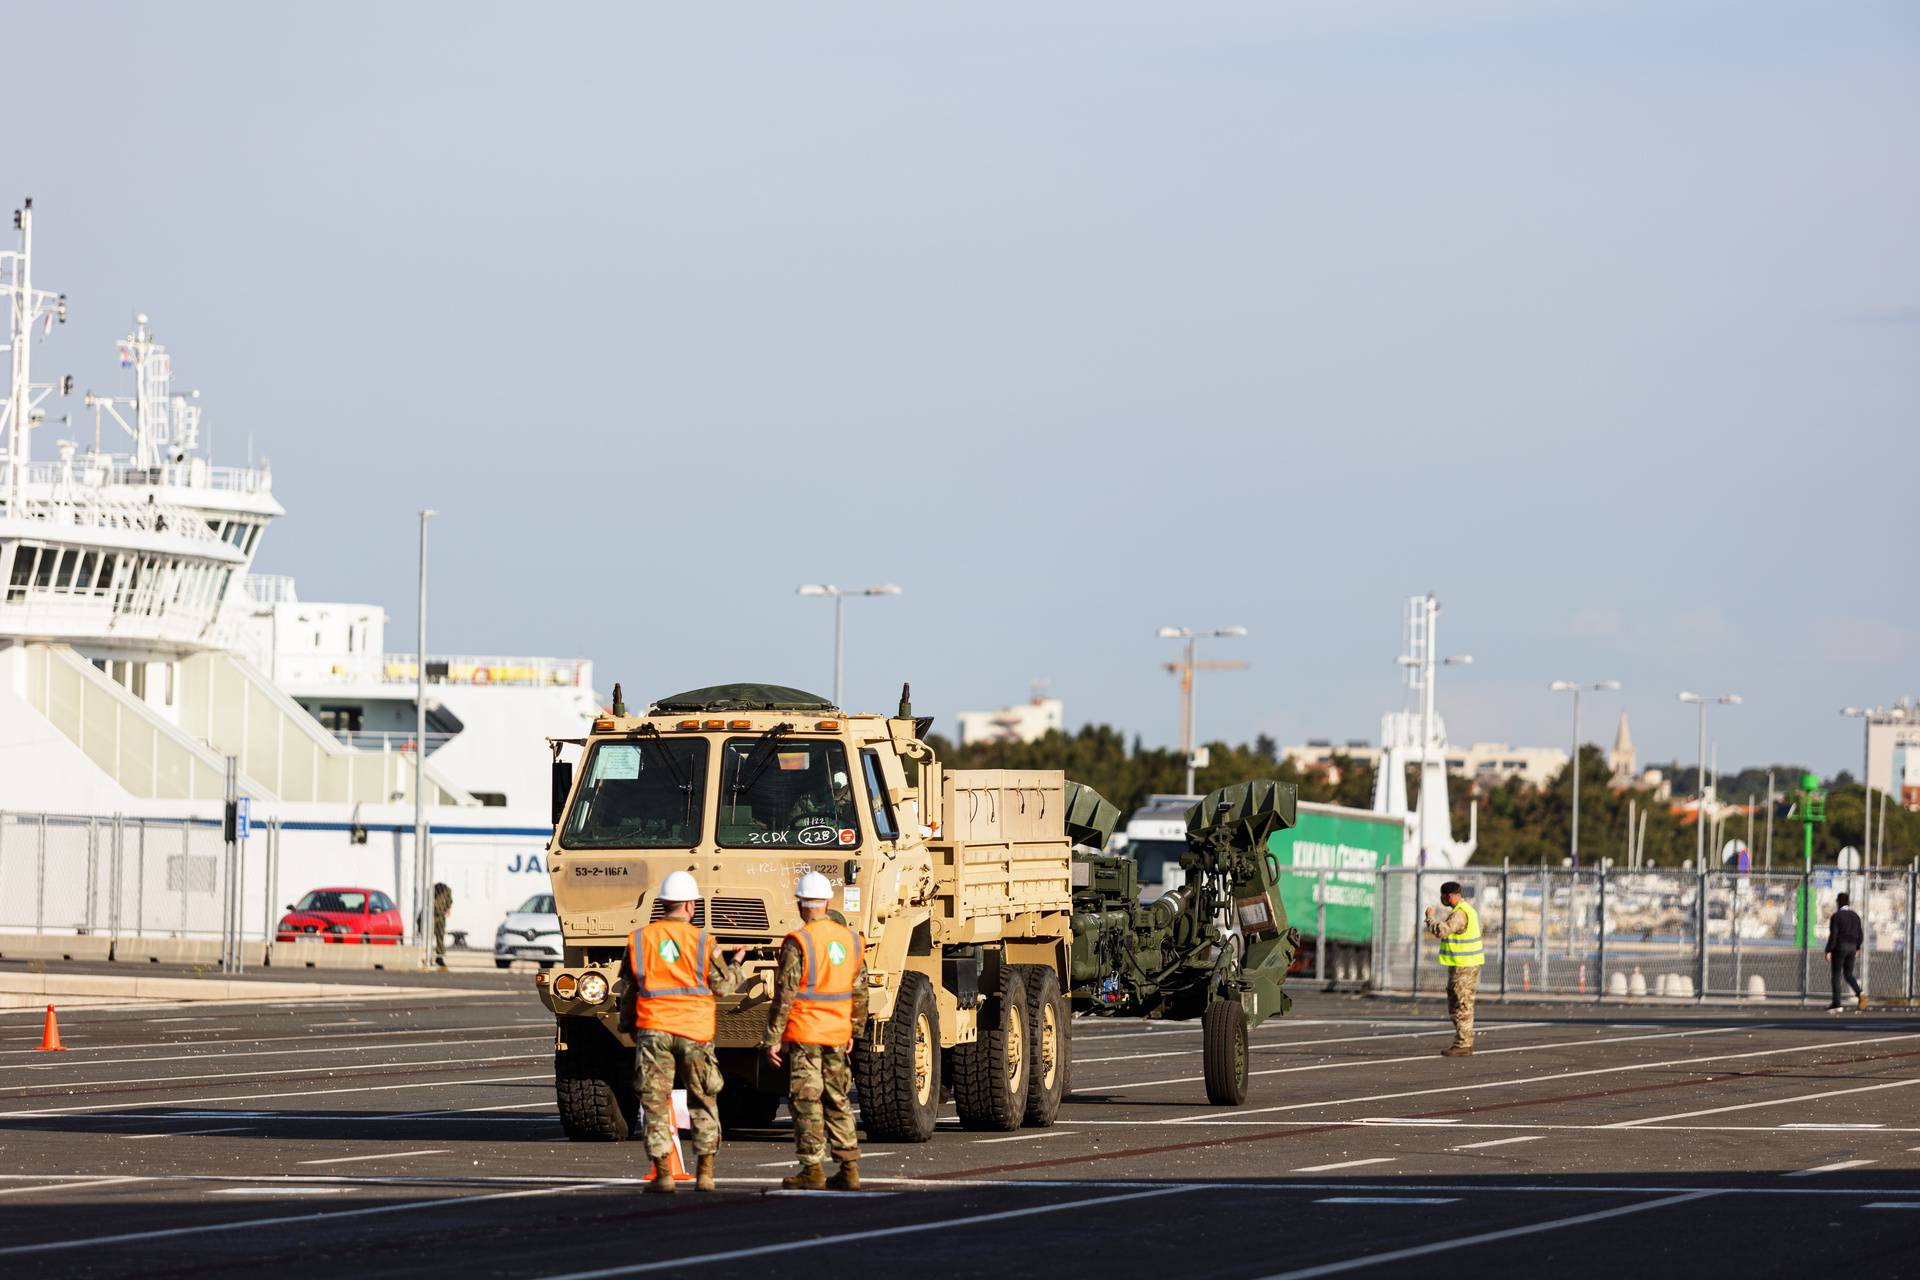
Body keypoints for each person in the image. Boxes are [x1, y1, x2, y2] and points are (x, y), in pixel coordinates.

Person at [627, 870, 746, 1193]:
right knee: (703, 1099)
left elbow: (629, 988)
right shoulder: (704, 941)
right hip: (694, 1032)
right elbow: (722, 987)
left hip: (654, 1030)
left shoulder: (640, 939)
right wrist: (737, 964)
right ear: (691, 906)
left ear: (662, 904)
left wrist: (629, 1027)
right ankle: (705, 1174)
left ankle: (664, 1175)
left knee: (655, 1102)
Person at [764, 871, 868, 1191]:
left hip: (806, 1032)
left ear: (800, 905)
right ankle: (849, 1167)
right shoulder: (850, 939)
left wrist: (772, 1037)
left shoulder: (800, 941)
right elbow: (860, 990)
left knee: (806, 1099)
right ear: (827, 902)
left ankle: (812, 1168)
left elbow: (785, 993)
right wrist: (854, 1028)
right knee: (838, 1098)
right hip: (837, 1033)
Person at [1425, 881, 1483, 1057]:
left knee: (1463, 1003)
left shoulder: (1460, 914)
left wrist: (1429, 919)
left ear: (1449, 896)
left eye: (1443, 896)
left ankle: (1464, 1044)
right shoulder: (1465, 910)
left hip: (1465, 965)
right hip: (1460, 964)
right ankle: (1462, 1041)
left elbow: (1442, 931)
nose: (1442, 899)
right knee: (1456, 1002)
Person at [1825, 891, 1865, 1012]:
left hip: (1840, 947)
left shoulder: (1836, 916)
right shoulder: (1855, 916)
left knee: (1836, 976)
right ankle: (1860, 993)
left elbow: (1834, 935)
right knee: (1848, 974)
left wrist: (1829, 950)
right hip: (1852, 947)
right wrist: (1857, 947)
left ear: (1838, 902)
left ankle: (1837, 1003)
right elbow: (1860, 934)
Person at [431, 882, 452, 967]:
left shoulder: (447, 891)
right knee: (429, 936)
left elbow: (449, 902)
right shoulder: (433, 890)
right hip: (432, 915)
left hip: (440, 916)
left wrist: (448, 909)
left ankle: (439, 957)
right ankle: (428, 954)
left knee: (440, 937)